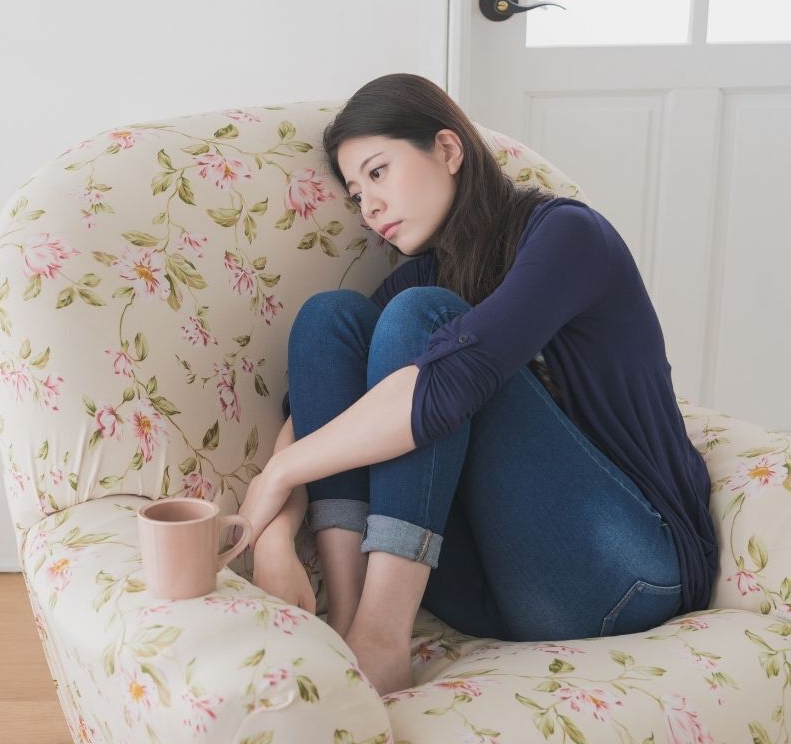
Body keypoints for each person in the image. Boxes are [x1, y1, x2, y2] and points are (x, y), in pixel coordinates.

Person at [236, 73, 718, 699]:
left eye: (378, 173)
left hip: (623, 574)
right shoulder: (431, 275)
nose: (368, 207)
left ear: (447, 149)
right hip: (495, 589)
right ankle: (350, 627)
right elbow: (319, 408)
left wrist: (273, 478)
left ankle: (380, 640)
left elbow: (446, 383)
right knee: (329, 321)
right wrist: (273, 536)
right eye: (356, 193)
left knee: (420, 322)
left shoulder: (567, 235)